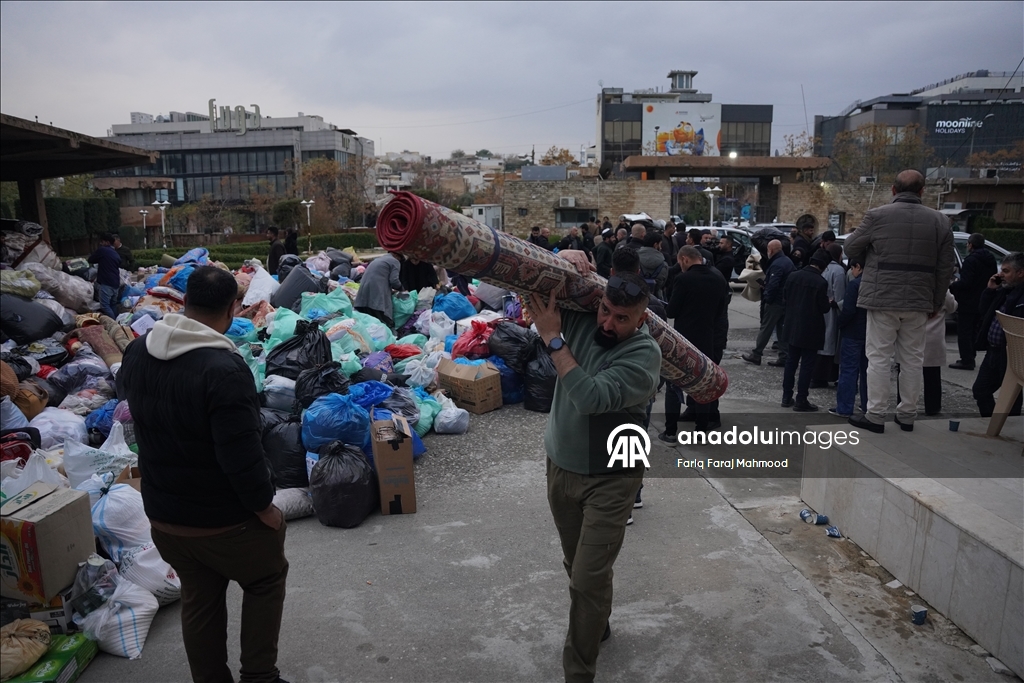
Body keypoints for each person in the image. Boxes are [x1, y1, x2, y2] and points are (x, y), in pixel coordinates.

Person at [117, 266, 288, 683]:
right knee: (266, 577)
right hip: (221, 522)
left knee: (200, 596)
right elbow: (241, 456)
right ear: (233, 308)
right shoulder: (224, 369)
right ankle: (260, 677)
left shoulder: (138, 351)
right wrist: (266, 508)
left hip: (164, 517)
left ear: (183, 301)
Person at [524, 271, 661, 683]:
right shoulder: (583, 321)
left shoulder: (644, 355)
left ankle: (578, 672)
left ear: (640, 319)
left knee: (587, 578)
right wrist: (559, 260)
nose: (608, 324)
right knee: (577, 563)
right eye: (605, 311)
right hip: (561, 466)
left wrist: (553, 340)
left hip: (613, 479)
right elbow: (526, 285)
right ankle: (597, 621)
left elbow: (590, 397)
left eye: (622, 318)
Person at [843, 169, 955, 433]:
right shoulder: (940, 222)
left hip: (882, 298)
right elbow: (945, 268)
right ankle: (906, 416)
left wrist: (869, 253)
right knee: (913, 360)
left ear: (893, 190)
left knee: (879, 358)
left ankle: (875, 415)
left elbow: (850, 247)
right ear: (922, 192)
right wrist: (936, 303)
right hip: (919, 300)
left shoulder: (877, 215)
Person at [662, 245, 729, 436]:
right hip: (707, 337)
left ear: (684, 259)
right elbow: (720, 311)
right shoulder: (718, 278)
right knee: (704, 384)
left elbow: (672, 311)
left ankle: (670, 431)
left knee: (674, 384)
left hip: (684, 339)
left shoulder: (683, 279)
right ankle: (701, 429)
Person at [972, 251, 1024, 417]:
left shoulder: (1018, 295)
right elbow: (984, 312)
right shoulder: (1004, 290)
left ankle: (1007, 428)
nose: (1001, 275)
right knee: (980, 390)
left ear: (1020, 273)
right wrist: (990, 291)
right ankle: (991, 420)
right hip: (993, 351)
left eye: (1006, 271)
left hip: (1010, 353)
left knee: (1011, 397)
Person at [781, 250, 832, 411]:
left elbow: (785, 298)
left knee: (791, 362)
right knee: (807, 365)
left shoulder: (793, 276)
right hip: (811, 328)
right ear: (823, 266)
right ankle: (801, 398)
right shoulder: (820, 282)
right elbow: (824, 308)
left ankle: (786, 396)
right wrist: (829, 302)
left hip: (792, 325)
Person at [897, 290, 957, 415]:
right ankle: (933, 407)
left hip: (911, 335)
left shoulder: (912, 287)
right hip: (933, 338)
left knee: (906, 371)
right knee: (932, 376)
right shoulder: (942, 291)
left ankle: (903, 404)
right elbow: (952, 307)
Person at [949, 233, 997, 370]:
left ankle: (966, 360)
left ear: (970, 245)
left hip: (968, 301)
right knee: (974, 330)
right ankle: (971, 356)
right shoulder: (990, 259)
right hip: (983, 300)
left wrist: (952, 286)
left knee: (964, 331)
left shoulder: (971, 261)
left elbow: (966, 282)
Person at [742, 239, 794, 366]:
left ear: (770, 250)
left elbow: (773, 285)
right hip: (785, 300)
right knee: (781, 329)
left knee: (766, 328)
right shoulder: (787, 261)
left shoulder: (777, 264)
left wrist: (767, 297)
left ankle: (756, 354)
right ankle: (784, 356)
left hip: (775, 301)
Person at [831, 260, 868, 418]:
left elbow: (848, 310)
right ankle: (867, 405)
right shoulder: (876, 284)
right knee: (868, 372)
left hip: (852, 332)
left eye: (852, 268)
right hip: (871, 333)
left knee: (848, 371)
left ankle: (845, 407)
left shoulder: (855, 285)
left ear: (858, 267)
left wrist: (840, 324)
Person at [811, 242, 847, 387]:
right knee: (829, 343)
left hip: (818, 311)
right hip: (832, 312)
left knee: (821, 343)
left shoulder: (822, 268)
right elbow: (839, 296)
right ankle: (824, 376)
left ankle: (816, 376)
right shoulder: (838, 270)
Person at [354, 252, 405, 329]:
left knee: (368, 322)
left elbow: (380, 277)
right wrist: (402, 289)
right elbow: (394, 280)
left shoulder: (378, 260)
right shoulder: (394, 261)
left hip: (364, 292)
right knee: (382, 321)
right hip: (376, 293)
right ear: (397, 256)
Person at [88, 233, 121, 318]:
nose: (101, 244)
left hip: (107, 283)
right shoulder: (115, 253)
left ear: (107, 242)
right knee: (113, 304)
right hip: (116, 283)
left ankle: (114, 324)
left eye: (102, 242)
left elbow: (91, 259)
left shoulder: (103, 250)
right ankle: (118, 322)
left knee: (105, 305)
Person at [638, 232, 668, 298]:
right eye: (660, 244)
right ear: (655, 245)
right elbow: (662, 284)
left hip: (636, 296)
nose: (661, 248)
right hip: (656, 298)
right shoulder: (663, 265)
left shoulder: (635, 259)